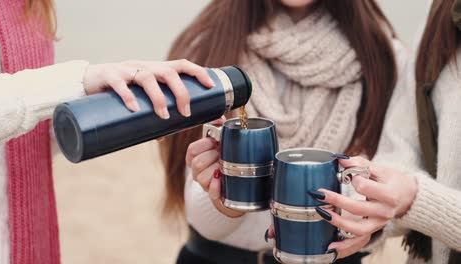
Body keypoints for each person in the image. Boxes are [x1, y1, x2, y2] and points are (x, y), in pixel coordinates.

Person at [159, 0, 406, 263]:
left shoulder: (384, 56)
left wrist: (350, 204)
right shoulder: (209, 43)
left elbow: (397, 191)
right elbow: (201, 215)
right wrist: (223, 197)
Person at [0, 1, 214, 264]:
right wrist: (81, 79)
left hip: (25, 237)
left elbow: (27, 138)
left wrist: (109, 110)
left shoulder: (29, 5)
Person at [310, 0, 461, 263]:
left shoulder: (380, 50)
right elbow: (403, 151)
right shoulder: (439, 12)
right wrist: (363, 207)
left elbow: (411, 194)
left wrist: (417, 200)